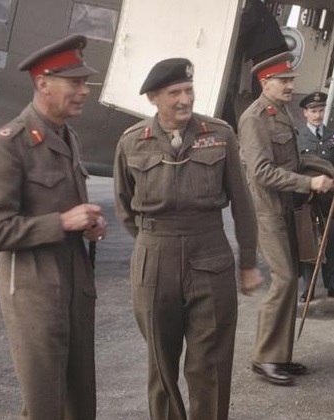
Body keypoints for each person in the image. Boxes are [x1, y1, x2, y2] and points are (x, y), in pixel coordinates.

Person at [114, 58, 263, 420]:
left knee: (210, 364)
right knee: (161, 366)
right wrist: (153, 242)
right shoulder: (132, 142)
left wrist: (247, 264)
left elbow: (242, 205)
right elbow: (124, 207)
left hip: (210, 255)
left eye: (189, 90)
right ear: (153, 98)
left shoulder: (220, 134)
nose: (185, 99)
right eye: (174, 92)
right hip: (154, 259)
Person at [0, 34, 107, 420]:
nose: (84, 91)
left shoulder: (68, 137)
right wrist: (62, 222)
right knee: (46, 406)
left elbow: (68, 211)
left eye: (85, 83)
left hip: (75, 288)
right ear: (43, 82)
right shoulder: (7, 146)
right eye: (75, 82)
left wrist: (88, 227)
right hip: (34, 293)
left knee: (81, 404)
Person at [238, 52, 334, 387]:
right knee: (283, 281)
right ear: (266, 82)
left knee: (291, 280)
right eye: (285, 81)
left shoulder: (280, 112)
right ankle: (265, 358)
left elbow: (291, 161)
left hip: (287, 210)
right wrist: (308, 182)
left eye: (291, 80)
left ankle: (279, 355)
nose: (291, 85)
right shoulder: (254, 118)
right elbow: (262, 171)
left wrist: (317, 173)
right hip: (268, 212)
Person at [297, 91, 334, 302]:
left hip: (330, 199)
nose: (318, 115)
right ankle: (308, 288)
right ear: (305, 113)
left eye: (320, 110)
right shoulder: (298, 138)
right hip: (308, 200)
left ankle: (332, 284)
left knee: (332, 241)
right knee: (309, 242)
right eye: (313, 111)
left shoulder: (332, 136)